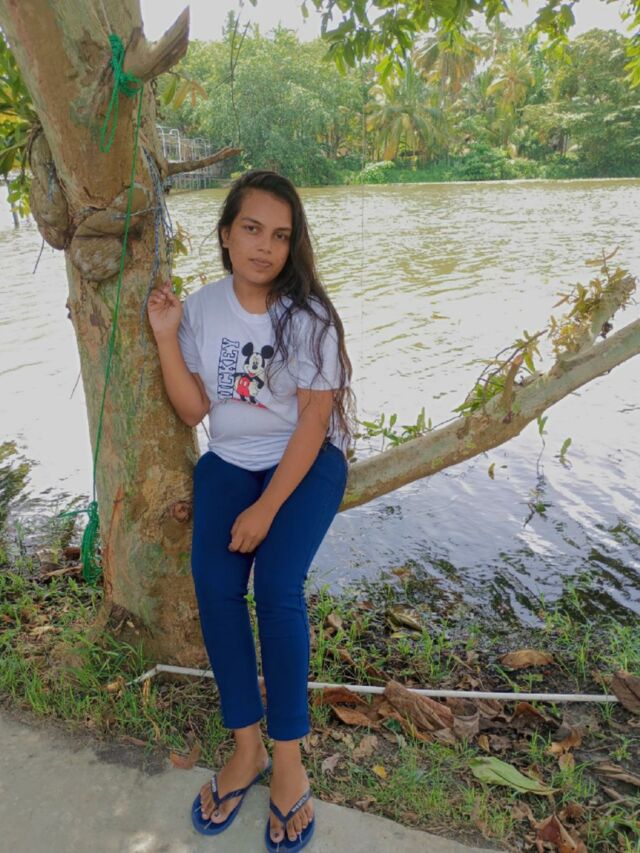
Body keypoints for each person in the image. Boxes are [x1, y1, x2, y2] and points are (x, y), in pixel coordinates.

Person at [147, 169, 356, 852]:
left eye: (280, 235)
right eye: (252, 229)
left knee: (276, 584)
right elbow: (192, 410)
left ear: (293, 245)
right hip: (231, 459)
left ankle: (289, 759)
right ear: (226, 234)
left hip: (305, 460)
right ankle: (247, 747)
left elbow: (314, 421)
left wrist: (267, 509)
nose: (265, 246)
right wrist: (166, 334)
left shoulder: (308, 316)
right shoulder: (203, 310)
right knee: (214, 582)